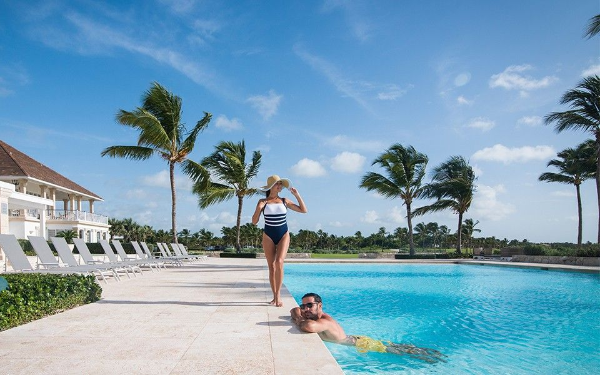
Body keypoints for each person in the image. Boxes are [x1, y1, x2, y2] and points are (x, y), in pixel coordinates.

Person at [290, 293, 446, 364]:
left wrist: (299, 319)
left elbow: (308, 326)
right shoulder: (314, 316)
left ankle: (428, 356)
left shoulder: (324, 321)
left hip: (361, 343)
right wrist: (299, 313)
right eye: (303, 306)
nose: (306, 309)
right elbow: (293, 310)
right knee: (394, 347)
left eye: (310, 305)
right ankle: (424, 353)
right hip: (356, 338)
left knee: (397, 351)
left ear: (320, 306)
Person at [252, 175, 307, 307]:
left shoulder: (284, 200)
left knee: (279, 262)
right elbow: (254, 222)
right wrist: (259, 208)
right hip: (268, 235)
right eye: (278, 184)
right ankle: (274, 296)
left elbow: (303, 210)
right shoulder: (262, 201)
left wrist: (297, 195)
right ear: (271, 186)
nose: (280, 186)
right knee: (271, 267)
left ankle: (278, 296)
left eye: (281, 184)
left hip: (283, 234)